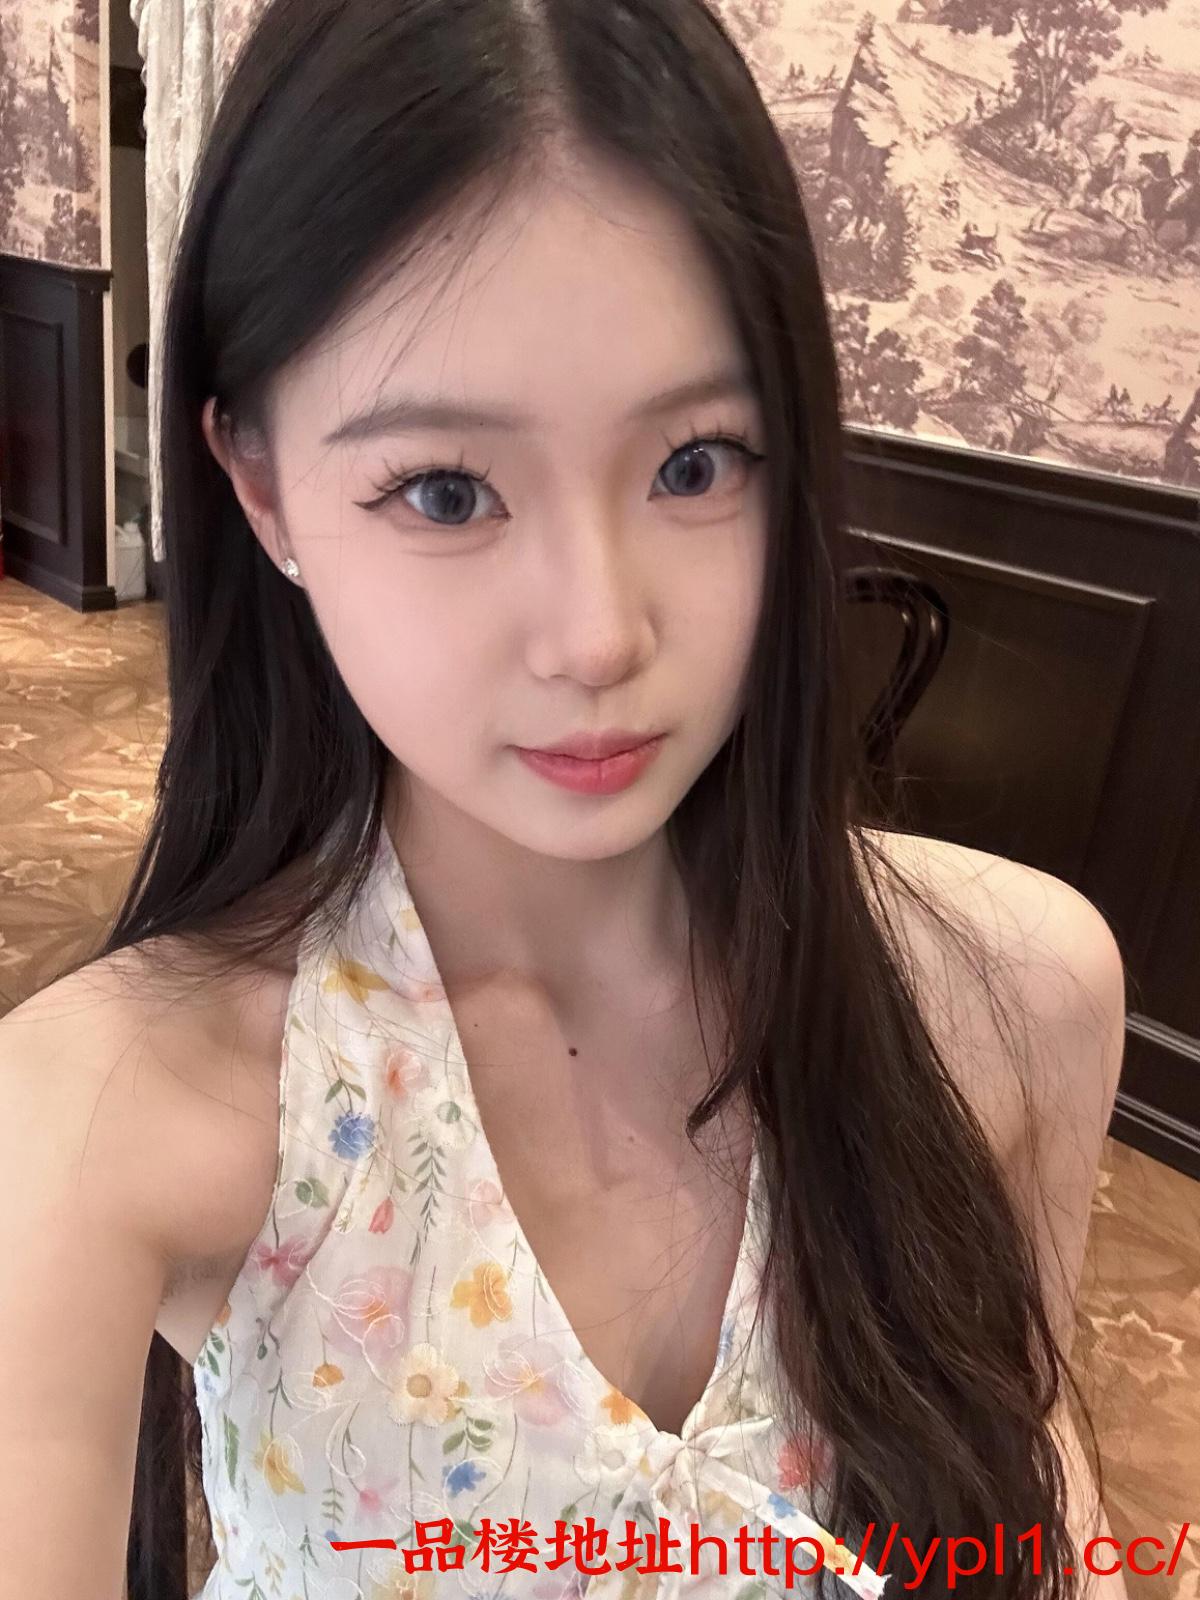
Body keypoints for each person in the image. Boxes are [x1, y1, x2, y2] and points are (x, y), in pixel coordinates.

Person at [0, 2, 1129, 1599]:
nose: (601, 635)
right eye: (447, 490)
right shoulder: (101, 1121)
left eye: (696, 464)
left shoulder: (1003, 993)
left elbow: (1036, 1520)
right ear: (262, 488)